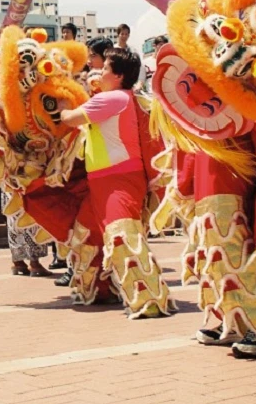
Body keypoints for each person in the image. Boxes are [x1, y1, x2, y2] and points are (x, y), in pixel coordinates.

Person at [58, 47, 174, 318]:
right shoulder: (116, 97)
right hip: (102, 180)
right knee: (85, 237)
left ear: (119, 76)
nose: (100, 72)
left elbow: (70, 120)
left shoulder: (113, 98)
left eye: (106, 68)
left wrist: (63, 105)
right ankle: (100, 289)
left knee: (124, 238)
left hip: (119, 179)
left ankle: (150, 299)